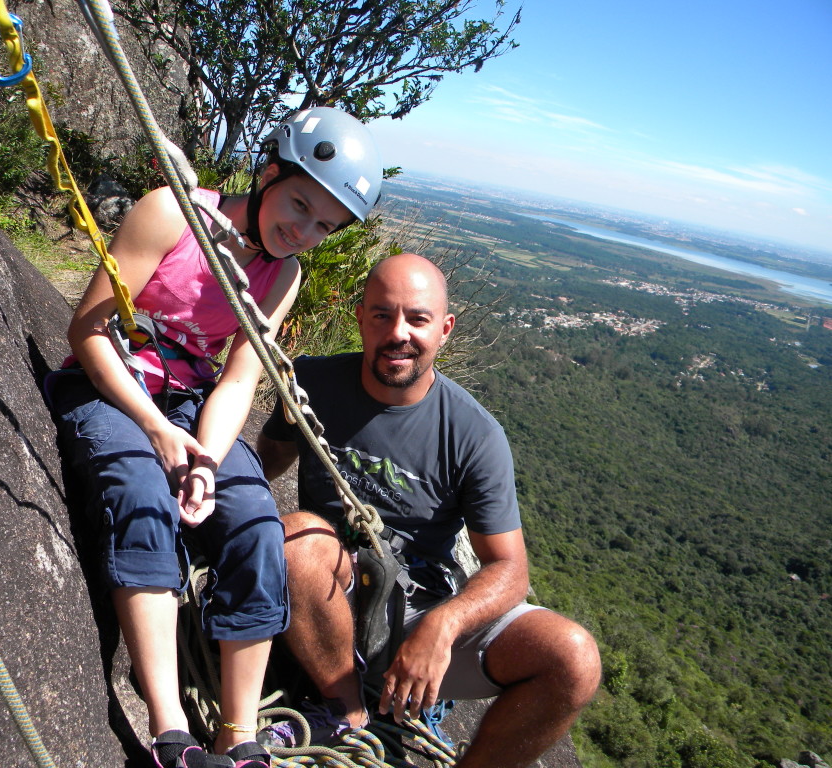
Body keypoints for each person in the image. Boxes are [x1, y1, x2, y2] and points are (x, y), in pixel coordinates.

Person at [47, 107, 382, 768]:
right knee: (142, 498)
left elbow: (236, 383)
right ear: (268, 172)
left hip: (195, 406)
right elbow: (86, 330)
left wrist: (205, 455)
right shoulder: (172, 215)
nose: (304, 231)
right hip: (112, 382)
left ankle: (238, 736)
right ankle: (170, 730)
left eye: (325, 225)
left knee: (257, 524)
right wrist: (155, 431)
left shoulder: (281, 278)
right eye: (299, 204)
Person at [256, 253, 602, 768]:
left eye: (417, 319)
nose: (399, 333)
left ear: (444, 329)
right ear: (360, 318)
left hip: (417, 613)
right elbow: (268, 461)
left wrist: (443, 626)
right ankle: (345, 712)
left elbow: (510, 569)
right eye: (382, 315)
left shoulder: (474, 435)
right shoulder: (312, 383)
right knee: (299, 537)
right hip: (327, 592)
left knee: (573, 659)